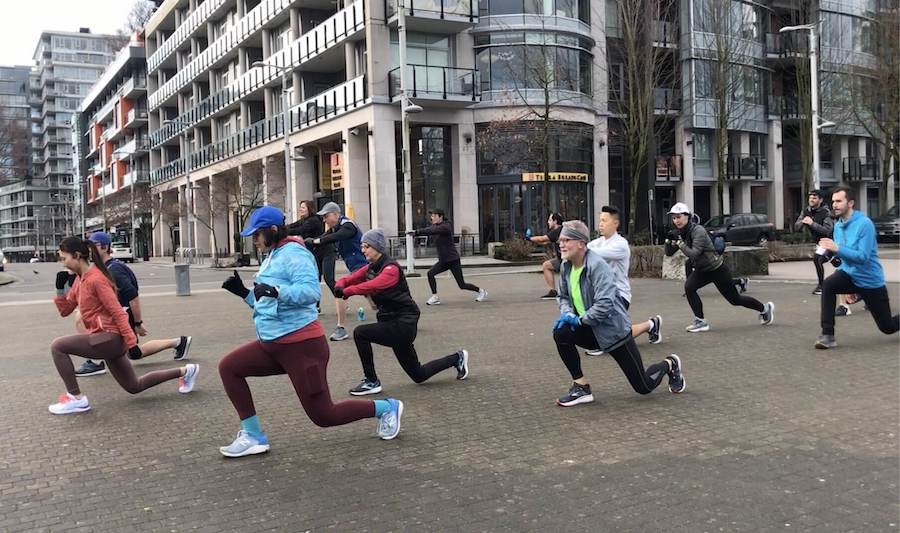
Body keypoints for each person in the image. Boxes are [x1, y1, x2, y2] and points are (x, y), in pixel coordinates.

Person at [217, 207, 404, 458]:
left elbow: (311, 293)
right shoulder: (273, 254)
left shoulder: (294, 253)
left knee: (324, 415)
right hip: (272, 344)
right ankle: (253, 436)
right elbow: (268, 302)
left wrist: (277, 292)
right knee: (229, 367)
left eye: (257, 235)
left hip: (302, 348)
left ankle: (387, 407)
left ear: (273, 231)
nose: (254, 241)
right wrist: (245, 293)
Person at [48, 237, 198, 415]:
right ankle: (186, 371)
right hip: (105, 340)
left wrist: (132, 344)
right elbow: (65, 310)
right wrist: (59, 289)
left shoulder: (96, 279)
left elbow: (118, 312)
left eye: (64, 258)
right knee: (134, 386)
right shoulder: (80, 281)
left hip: (109, 338)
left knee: (58, 346)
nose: (63, 263)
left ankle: (76, 398)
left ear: (77, 255)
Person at [551, 220, 685, 407]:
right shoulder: (566, 266)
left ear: (581, 243)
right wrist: (567, 315)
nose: (561, 244)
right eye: (560, 241)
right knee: (561, 332)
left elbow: (605, 305)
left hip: (614, 333)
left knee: (643, 387)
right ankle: (581, 387)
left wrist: (579, 320)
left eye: (566, 240)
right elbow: (563, 296)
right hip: (589, 329)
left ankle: (669, 364)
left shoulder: (598, 266)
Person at [335, 228, 469, 395]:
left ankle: (371, 381)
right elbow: (349, 278)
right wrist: (340, 285)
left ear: (377, 247)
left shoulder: (390, 269)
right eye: (362, 246)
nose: (362, 250)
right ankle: (457, 358)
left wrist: (348, 292)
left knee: (360, 333)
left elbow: (374, 285)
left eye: (366, 246)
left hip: (403, 324)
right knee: (419, 375)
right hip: (390, 322)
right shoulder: (370, 267)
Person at [74, 231, 192, 377]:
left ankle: (96, 362)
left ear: (105, 247)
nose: (90, 250)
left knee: (82, 319)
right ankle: (179, 342)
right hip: (116, 315)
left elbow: (133, 297)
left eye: (93, 246)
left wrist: (137, 323)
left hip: (121, 314)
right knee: (132, 353)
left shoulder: (114, 270)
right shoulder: (104, 269)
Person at [665, 202, 774, 332]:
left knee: (735, 300)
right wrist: (668, 240)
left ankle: (765, 308)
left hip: (716, 269)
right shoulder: (680, 232)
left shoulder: (697, 231)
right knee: (689, 287)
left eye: (679, 216)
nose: (676, 220)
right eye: (674, 218)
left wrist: (679, 242)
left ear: (687, 216)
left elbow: (694, 254)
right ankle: (700, 321)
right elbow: (669, 252)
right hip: (702, 270)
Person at [815, 185, 899, 349]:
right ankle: (827, 335)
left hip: (871, 281)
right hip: (850, 275)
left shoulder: (864, 224)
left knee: (887, 327)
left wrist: (837, 249)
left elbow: (863, 257)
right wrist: (829, 255)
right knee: (829, 285)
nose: (834, 205)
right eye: (833, 201)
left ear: (851, 203)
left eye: (839, 201)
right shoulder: (838, 225)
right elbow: (843, 257)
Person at [585, 206, 662, 355]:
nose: (600, 224)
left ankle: (651, 324)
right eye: (600, 220)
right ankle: (652, 325)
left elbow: (591, 252)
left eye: (604, 221)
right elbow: (587, 250)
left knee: (616, 337)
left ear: (615, 223)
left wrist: (579, 248)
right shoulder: (597, 242)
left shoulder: (620, 244)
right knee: (611, 333)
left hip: (618, 295)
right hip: (600, 295)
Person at [305, 202, 368, 341]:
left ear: (335, 214)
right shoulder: (335, 228)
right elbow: (324, 238)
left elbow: (336, 236)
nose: (324, 220)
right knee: (374, 299)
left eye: (326, 216)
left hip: (365, 267)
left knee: (340, 288)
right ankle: (395, 315)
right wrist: (306, 242)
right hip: (357, 269)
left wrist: (316, 241)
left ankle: (341, 329)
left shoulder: (348, 225)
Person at [408, 208, 487, 306]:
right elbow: (430, 230)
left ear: (440, 216)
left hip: (453, 260)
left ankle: (481, 291)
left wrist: (417, 232)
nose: (432, 218)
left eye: (434, 216)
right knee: (430, 273)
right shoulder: (434, 226)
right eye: (431, 216)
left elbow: (433, 230)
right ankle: (435, 297)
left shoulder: (446, 226)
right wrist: (416, 234)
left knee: (462, 285)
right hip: (443, 261)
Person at [288, 200, 328, 311]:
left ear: (309, 209)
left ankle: (318, 304)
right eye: (300, 207)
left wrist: (282, 232)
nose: (301, 209)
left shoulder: (313, 220)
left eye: (303, 207)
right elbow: (292, 226)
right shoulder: (304, 220)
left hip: (318, 253)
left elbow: (299, 230)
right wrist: (281, 229)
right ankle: (314, 304)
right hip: (310, 253)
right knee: (312, 277)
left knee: (317, 278)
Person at [794, 189, 834, 295]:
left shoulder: (826, 213)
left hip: (830, 242)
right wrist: (802, 222)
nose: (811, 200)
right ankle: (822, 285)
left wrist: (812, 224)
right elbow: (796, 227)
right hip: (820, 243)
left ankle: (822, 286)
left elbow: (827, 231)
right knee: (818, 259)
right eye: (810, 198)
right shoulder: (806, 211)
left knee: (818, 259)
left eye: (814, 198)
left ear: (820, 200)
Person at [527, 213, 564, 299]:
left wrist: (529, 238)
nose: (548, 222)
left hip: (567, 260)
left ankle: (557, 292)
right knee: (546, 265)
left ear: (555, 221)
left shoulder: (557, 231)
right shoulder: (558, 231)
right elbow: (544, 242)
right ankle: (553, 291)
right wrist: (531, 240)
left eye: (550, 220)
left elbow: (542, 238)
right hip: (562, 259)